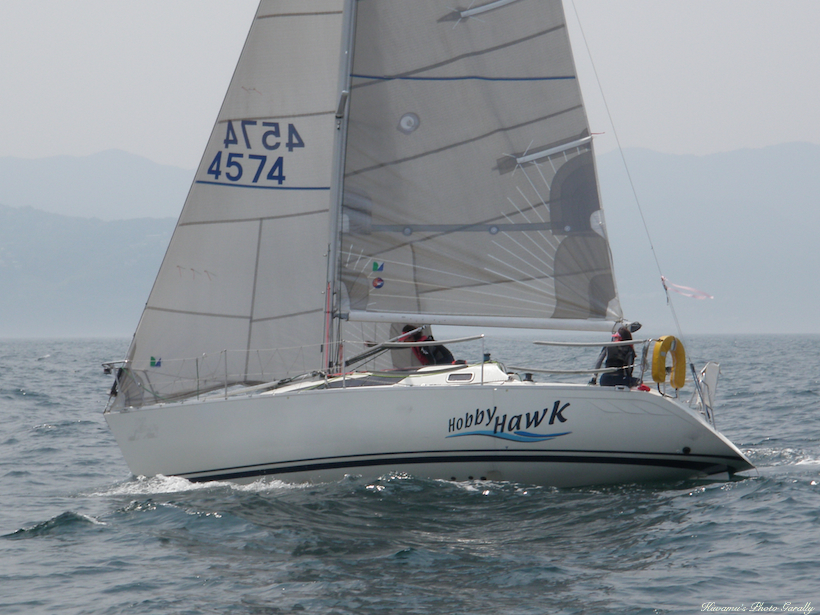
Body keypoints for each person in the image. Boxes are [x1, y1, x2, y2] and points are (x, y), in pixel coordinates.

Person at [595, 322, 641, 387]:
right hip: (620, 380)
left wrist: (594, 378)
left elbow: (598, 362)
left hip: (605, 380)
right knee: (639, 381)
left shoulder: (608, 346)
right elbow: (629, 369)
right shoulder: (629, 349)